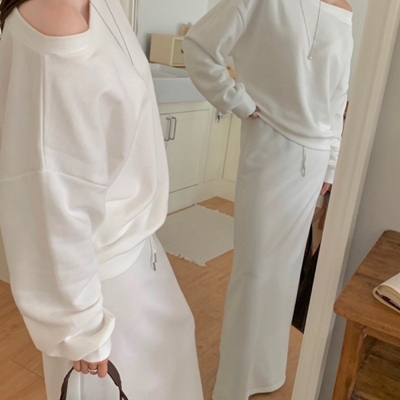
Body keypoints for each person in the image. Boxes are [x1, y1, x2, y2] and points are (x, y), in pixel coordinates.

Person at [0, 0, 203, 399]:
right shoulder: (56, 25)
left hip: (136, 257)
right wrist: (82, 327)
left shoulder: (96, 6)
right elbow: (51, 202)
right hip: (103, 287)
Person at [183, 0, 353, 399]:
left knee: (286, 273)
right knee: (255, 271)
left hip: (314, 160)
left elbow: (338, 95)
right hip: (269, 146)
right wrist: (237, 101)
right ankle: (234, 385)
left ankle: (268, 371)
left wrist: (331, 164)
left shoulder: (344, 8)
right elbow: (199, 46)